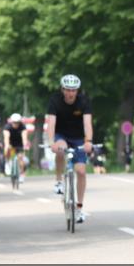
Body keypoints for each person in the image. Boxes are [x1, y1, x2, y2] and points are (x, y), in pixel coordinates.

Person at [46, 74, 94, 223]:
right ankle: (59, 181)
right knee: (61, 148)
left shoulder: (84, 101)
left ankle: (79, 209)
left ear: (77, 91)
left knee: (81, 171)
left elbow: (87, 124)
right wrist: (51, 142)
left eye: (73, 90)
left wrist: (88, 141)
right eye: (67, 89)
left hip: (79, 137)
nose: (70, 93)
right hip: (61, 135)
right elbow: (51, 124)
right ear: (62, 89)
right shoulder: (55, 101)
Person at [2, 113, 29, 184]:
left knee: (20, 158)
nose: (16, 124)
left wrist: (25, 144)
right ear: (11, 122)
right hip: (11, 144)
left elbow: (24, 137)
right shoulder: (7, 127)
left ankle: (22, 175)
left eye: (17, 122)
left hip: (19, 145)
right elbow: (6, 137)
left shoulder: (22, 127)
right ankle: (7, 162)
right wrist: (7, 145)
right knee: (7, 148)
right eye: (14, 122)